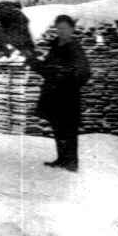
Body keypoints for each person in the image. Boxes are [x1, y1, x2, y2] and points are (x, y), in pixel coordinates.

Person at [25, 15, 91, 172]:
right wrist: (31, 59)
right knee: (57, 128)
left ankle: (72, 163)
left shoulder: (75, 48)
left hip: (68, 97)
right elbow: (46, 69)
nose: (61, 31)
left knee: (69, 130)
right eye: (59, 28)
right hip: (53, 96)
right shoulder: (55, 46)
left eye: (65, 28)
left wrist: (67, 80)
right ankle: (62, 159)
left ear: (72, 29)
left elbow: (85, 73)